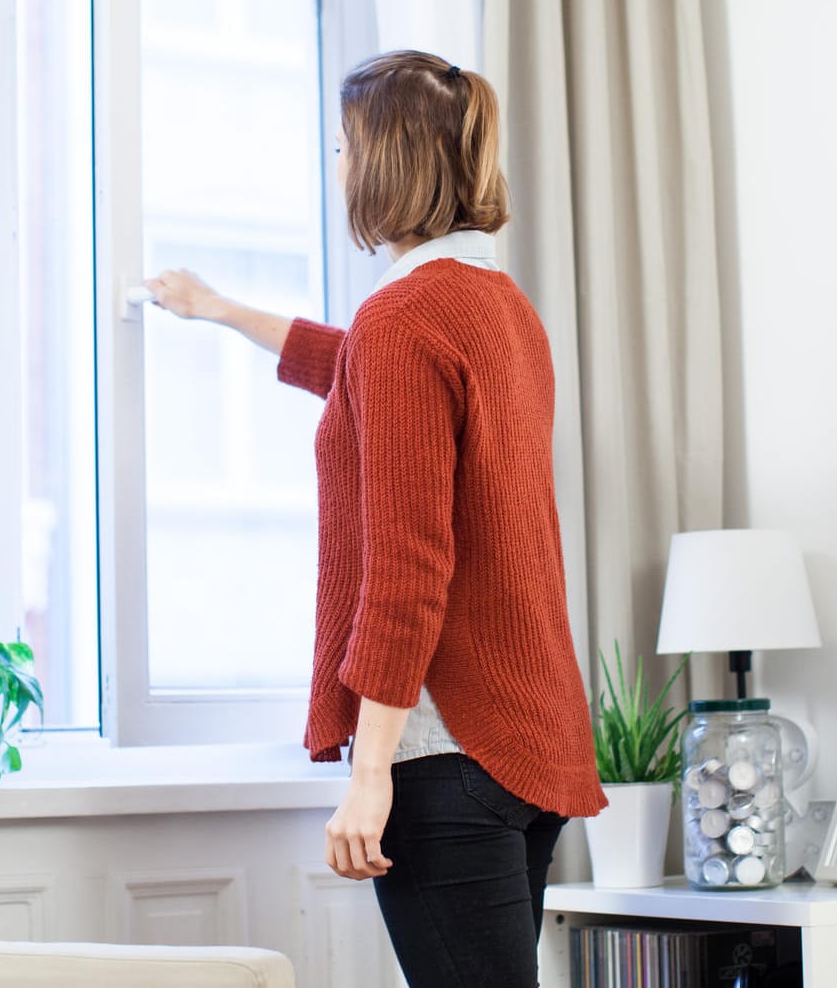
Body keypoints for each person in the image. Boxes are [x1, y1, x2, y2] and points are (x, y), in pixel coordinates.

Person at [143, 49, 604, 986]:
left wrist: (371, 772)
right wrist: (221, 310)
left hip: (445, 752)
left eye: (346, 146)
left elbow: (408, 563)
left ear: (388, 162)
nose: (339, 165)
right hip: (527, 747)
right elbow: (358, 370)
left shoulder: (406, 319)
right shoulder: (500, 309)